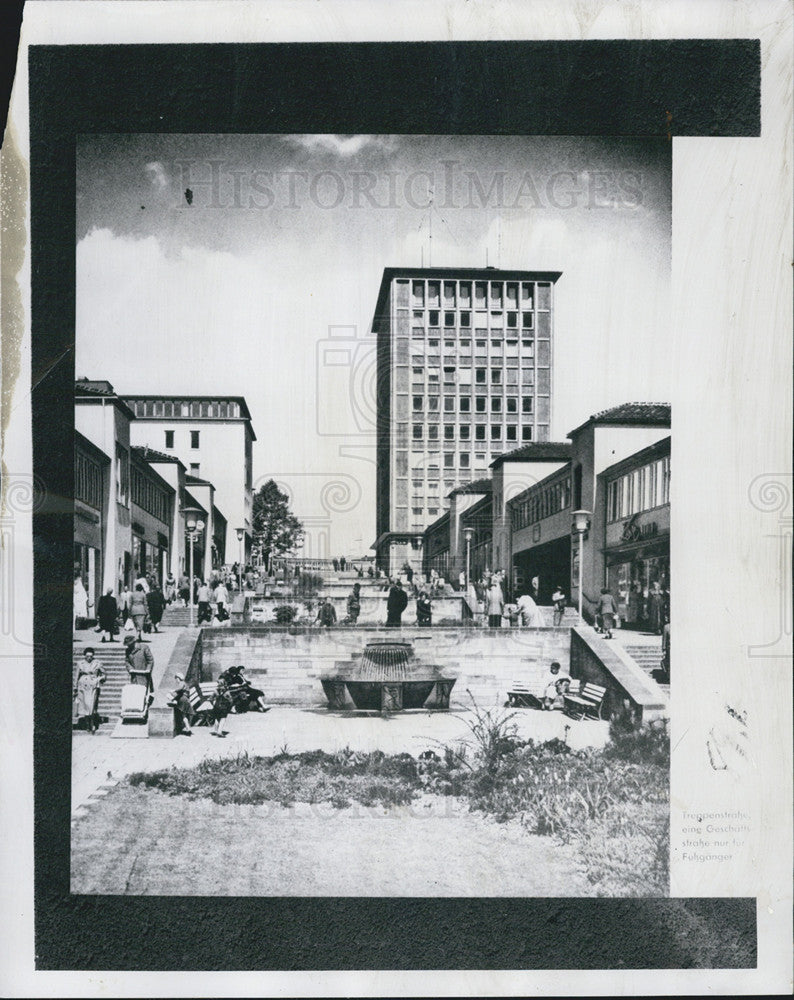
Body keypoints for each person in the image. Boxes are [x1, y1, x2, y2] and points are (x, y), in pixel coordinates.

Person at [74, 647, 106, 733]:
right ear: (84, 656)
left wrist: (99, 679)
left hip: (93, 685)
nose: (89, 658)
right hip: (83, 686)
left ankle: (92, 724)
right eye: (87, 656)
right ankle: (88, 724)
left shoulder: (98, 663)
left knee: (91, 704)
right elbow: (76, 676)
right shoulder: (80, 663)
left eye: (91, 656)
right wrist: (75, 687)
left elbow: (104, 674)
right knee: (85, 705)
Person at [124, 633, 154, 701]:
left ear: (134, 642)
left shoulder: (144, 648)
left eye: (130, 644)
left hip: (144, 676)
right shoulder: (128, 650)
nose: (128, 646)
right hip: (134, 676)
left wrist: (148, 669)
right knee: (135, 694)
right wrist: (130, 669)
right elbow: (127, 661)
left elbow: (150, 660)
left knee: (144, 694)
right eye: (128, 645)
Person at [210, 673, 233, 737]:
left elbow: (211, 699)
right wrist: (230, 706)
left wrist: (213, 704)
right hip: (224, 707)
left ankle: (215, 730)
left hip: (216, 706)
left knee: (217, 718)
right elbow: (230, 700)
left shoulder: (215, 690)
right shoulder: (227, 692)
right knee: (223, 718)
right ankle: (219, 732)